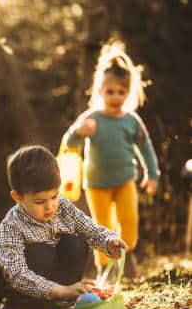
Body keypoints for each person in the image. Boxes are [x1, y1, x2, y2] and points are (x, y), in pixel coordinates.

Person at [0, 145, 128, 309]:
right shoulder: (11, 226)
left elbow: (90, 229)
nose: (50, 206)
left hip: (56, 291)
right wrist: (62, 290)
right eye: (40, 202)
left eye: (54, 196)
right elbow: (17, 274)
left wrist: (109, 241)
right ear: (17, 197)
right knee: (41, 252)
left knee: (76, 243)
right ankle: (13, 308)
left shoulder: (63, 208)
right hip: (18, 290)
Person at [61, 40, 160, 277]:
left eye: (121, 92)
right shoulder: (91, 118)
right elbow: (68, 143)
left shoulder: (131, 121)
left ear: (129, 92)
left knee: (129, 221)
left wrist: (152, 175)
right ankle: (104, 267)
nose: (115, 96)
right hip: (96, 185)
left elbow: (146, 148)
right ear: (100, 91)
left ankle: (127, 255)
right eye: (110, 91)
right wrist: (79, 132)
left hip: (125, 179)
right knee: (101, 227)